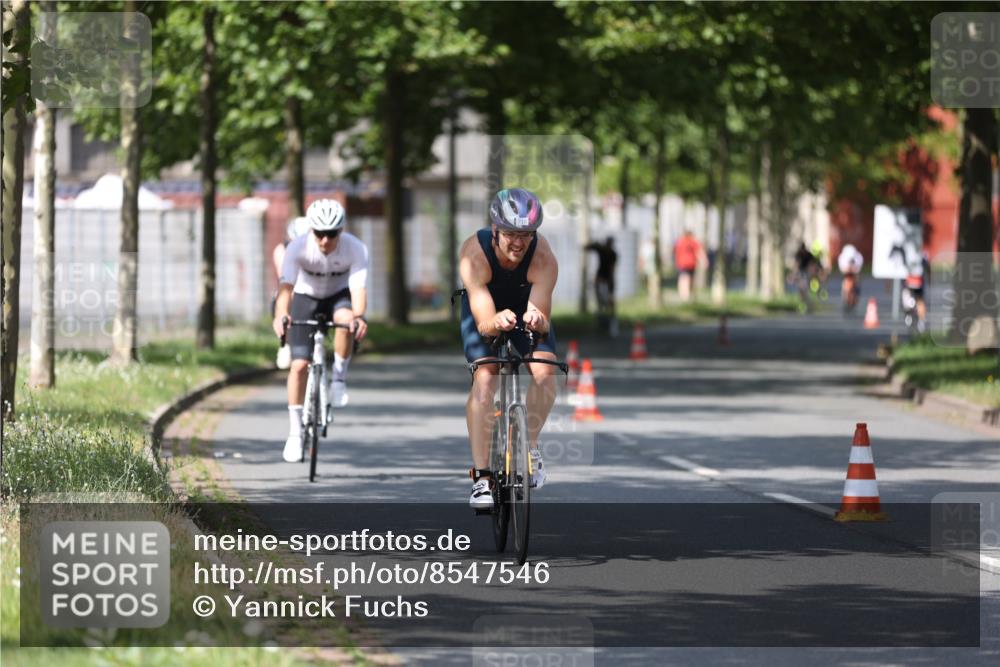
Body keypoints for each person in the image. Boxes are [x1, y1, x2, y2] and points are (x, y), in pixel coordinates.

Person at [458, 188, 559, 508]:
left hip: (524, 309)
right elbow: (485, 323)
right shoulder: (474, 255)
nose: (519, 242)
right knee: (486, 378)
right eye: (512, 234)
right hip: (484, 310)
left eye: (527, 235)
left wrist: (537, 319)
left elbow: (542, 319)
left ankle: (529, 447)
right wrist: (495, 321)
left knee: (545, 373)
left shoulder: (543, 257)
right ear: (496, 230)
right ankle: (483, 478)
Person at [272, 199, 369, 463]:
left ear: (341, 230)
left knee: (346, 320)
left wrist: (358, 317)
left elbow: (359, 290)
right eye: (319, 233)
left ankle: (338, 379)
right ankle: (294, 433)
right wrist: (281, 314)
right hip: (306, 297)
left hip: (339, 296)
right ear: (310, 230)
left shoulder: (355, 248)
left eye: (332, 234)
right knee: (299, 366)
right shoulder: (297, 247)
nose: (325, 240)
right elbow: (286, 289)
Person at [273, 216, 312, 369]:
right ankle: (286, 342)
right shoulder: (281, 250)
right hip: (294, 286)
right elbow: (285, 276)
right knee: (285, 297)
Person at [585, 236, 618, 326]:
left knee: (610, 300)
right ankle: (602, 317)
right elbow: (586, 247)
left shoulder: (612, 254)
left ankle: (611, 318)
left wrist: (611, 282)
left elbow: (612, 269)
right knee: (601, 299)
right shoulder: (601, 250)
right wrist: (595, 243)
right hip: (600, 278)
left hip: (607, 279)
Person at [674, 229, 707, 302]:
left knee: (683, 279)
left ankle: (684, 294)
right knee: (687, 279)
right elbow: (699, 251)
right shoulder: (692, 242)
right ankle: (685, 295)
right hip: (689, 263)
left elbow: (675, 252)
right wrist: (704, 261)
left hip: (683, 263)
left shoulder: (680, 242)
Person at [837, 243, 864, 312]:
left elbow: (858, 271)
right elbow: (843, 271)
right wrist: (849, 269)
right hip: (847, 273)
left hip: (855, 273)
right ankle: (846, 297)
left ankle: (856, 295)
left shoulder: (859, 257)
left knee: (857, 282)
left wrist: (853, 270)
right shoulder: (842, 258)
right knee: (847, 283)